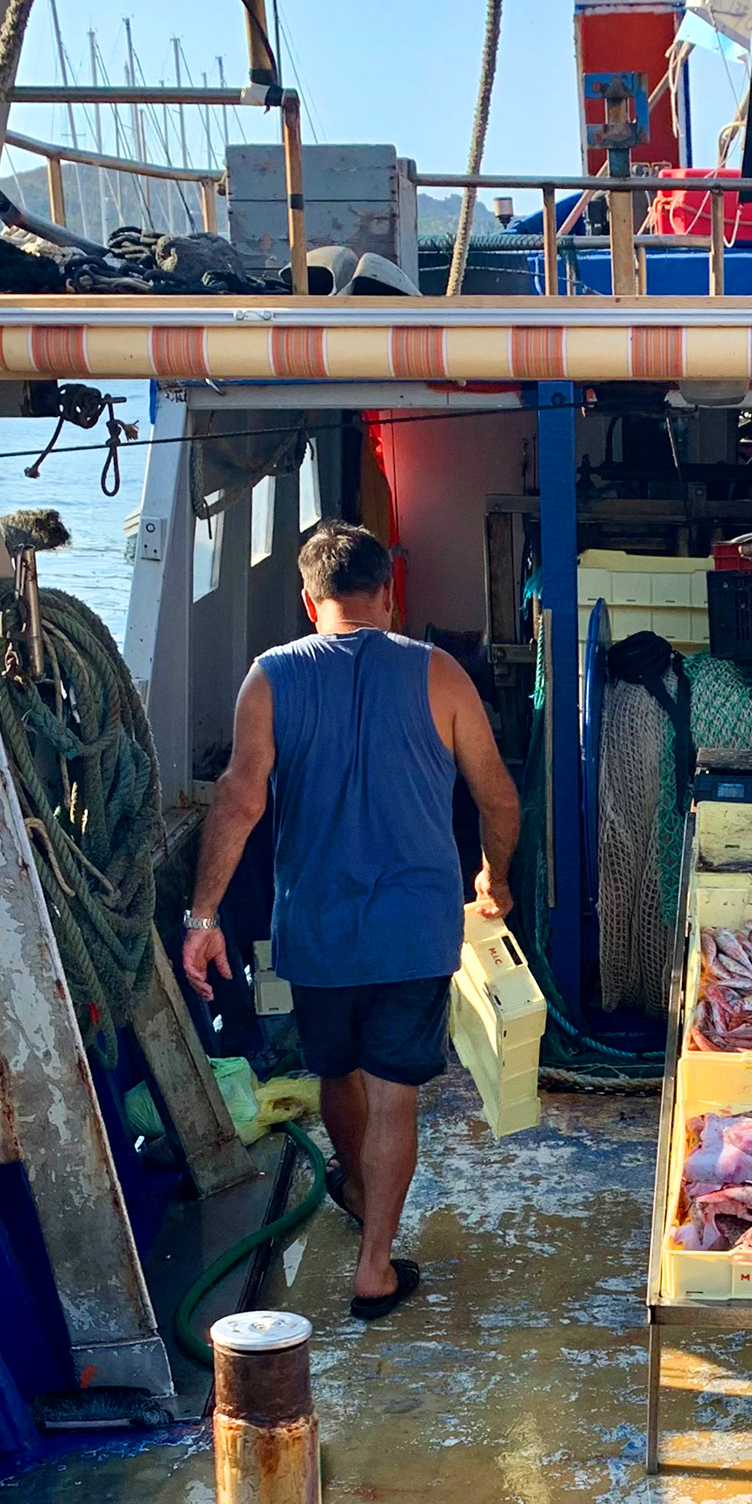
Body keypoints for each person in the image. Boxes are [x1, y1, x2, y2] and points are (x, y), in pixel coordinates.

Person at [182, 520, 521, 1321]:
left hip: (317, 931)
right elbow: (498, 796)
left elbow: (239, 800)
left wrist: (203, 916)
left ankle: (363, 1193)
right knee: (393, 1093)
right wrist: (494, 878)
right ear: (388, 592)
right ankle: (375, 1265)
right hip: (415, 930)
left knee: (336, 1073)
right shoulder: (440, 674)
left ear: (309, 602)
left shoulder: (270, 677)